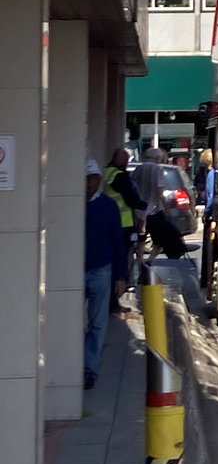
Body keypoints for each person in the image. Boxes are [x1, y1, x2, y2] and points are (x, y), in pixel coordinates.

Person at [84, 158, 127, 389]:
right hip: (76, 271)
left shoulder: (108, 206)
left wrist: (121, 276)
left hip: (101, 269)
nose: (88, 185)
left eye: (91, 180)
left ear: (98, 181)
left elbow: (118, 242)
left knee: (98, 323)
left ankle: (90, 368)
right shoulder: (73, 205)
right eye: (85, 180)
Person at [103, 147, 148, 310]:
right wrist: (144, 206)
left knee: (116, 261)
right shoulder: (119, 176)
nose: (127, 163)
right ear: (121, 161)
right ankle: (114, 301)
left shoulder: (107, 172)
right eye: (126, 161)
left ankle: (112, 300)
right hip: (123, 224)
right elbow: (131, 198)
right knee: (120, 262)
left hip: (113, 223)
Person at [132, 147, 187, 259]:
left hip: (138, 211)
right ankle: (150, 260)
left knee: (140, 239)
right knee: (159, 239)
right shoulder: (157, 169)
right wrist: (166, 209)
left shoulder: (138, 169)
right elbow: (160, 191)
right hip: (154, 210)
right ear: (158, 158)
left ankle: (138, 261)